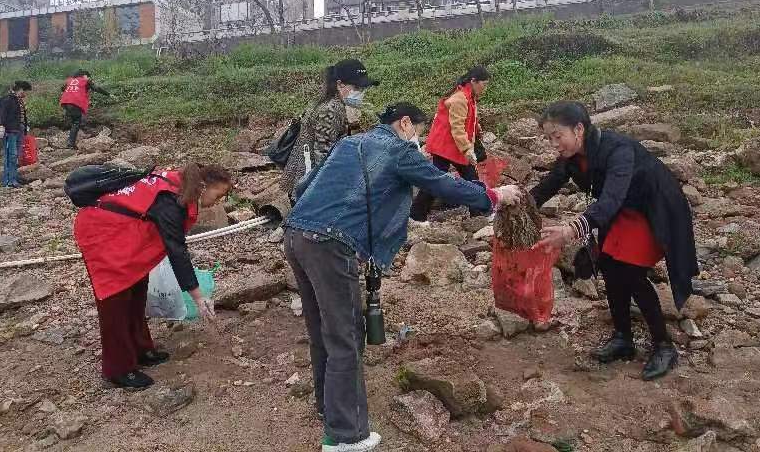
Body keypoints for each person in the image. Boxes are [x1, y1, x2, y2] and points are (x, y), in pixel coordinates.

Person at [284, 102, 522, 452]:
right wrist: (493, 195)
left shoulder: (350, 143)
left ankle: (328, 407)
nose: (419, 141)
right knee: (346, 337)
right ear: (405, 123)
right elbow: (444, 185)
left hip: (296, 235)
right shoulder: (397, 149)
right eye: (419, 132)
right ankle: (345, 436)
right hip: (329, 245)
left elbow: (305, 185)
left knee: (322, 330)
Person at [532, 101, 698, 381]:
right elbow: (549, 184)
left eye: (557, 136)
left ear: (579, 129)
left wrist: (571, 230)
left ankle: (664, 346)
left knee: (630, 272)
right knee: (609, 265)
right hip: (619, 209)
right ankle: (623, 338)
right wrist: (518, 204)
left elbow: (610, 199)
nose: (554, 144)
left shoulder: (618, 150)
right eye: (549, 138)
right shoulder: (571, 157)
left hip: (650, 209)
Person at [73, 163, 233, 389]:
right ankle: (118, 369)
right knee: (115, 298)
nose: (218, 202)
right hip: (102, 231)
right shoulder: (171, 199)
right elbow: (176, 250)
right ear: (204, 186)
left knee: (138, 288)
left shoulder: (182, 188)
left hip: (125, 232)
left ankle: (141, 349)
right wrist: (198, 297)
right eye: (218, 195)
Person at [280, 59, 379, 198]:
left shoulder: (334, 103)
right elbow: (323, 155)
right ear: (340, 84)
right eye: (357, 87)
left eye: (363, 88)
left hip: (309, 182)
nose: (360, 92)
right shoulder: (331, 109)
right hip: (311, 188)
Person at [409, 65, 490, 224]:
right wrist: (467, 150)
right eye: (484, 84)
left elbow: (466, 118)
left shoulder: (467, 96)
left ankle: (417, 214)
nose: (485, 88)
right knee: (462, 178)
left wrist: (476, 127)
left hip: (450, 146)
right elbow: (457, 127)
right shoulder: (460, 98)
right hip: (447, 146)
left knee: (441, 179)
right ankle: (479, 213)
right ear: (474, 81)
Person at [59, 70, 111, 149]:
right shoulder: (85, 81)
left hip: (65, 102)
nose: (89, 78)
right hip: (75, 102)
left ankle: (72, 137)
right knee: (76, 122)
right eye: (88, 76)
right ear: (84, 75)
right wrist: (108, 94)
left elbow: (62, 88)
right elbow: (97, 88)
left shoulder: (69, 81)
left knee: (74, 120)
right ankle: (70, 144)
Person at [0, 80, 32, 188]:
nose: (25, 94)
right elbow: (2, 114)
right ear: (20, 90)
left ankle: (13, 178)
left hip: (18, 130)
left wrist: (25, 127)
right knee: (11, 155)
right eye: (25, 91)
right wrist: (1, 126)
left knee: (16, 155)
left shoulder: (19, 101)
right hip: (10, 130)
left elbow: (22, 116)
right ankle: (8, 180)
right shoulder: (7, 99)